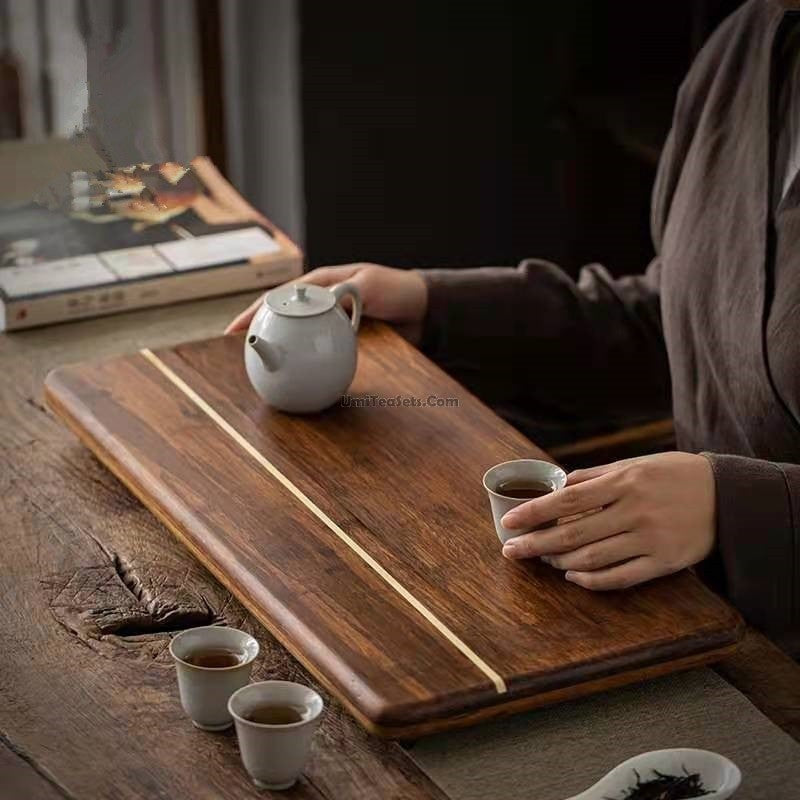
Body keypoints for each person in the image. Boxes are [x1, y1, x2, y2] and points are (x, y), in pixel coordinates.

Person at [227, 0, 800, 654]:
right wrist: (432, 305)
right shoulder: (748, 49)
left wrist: (738, 509)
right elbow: (682, 319)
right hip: (698, 617)